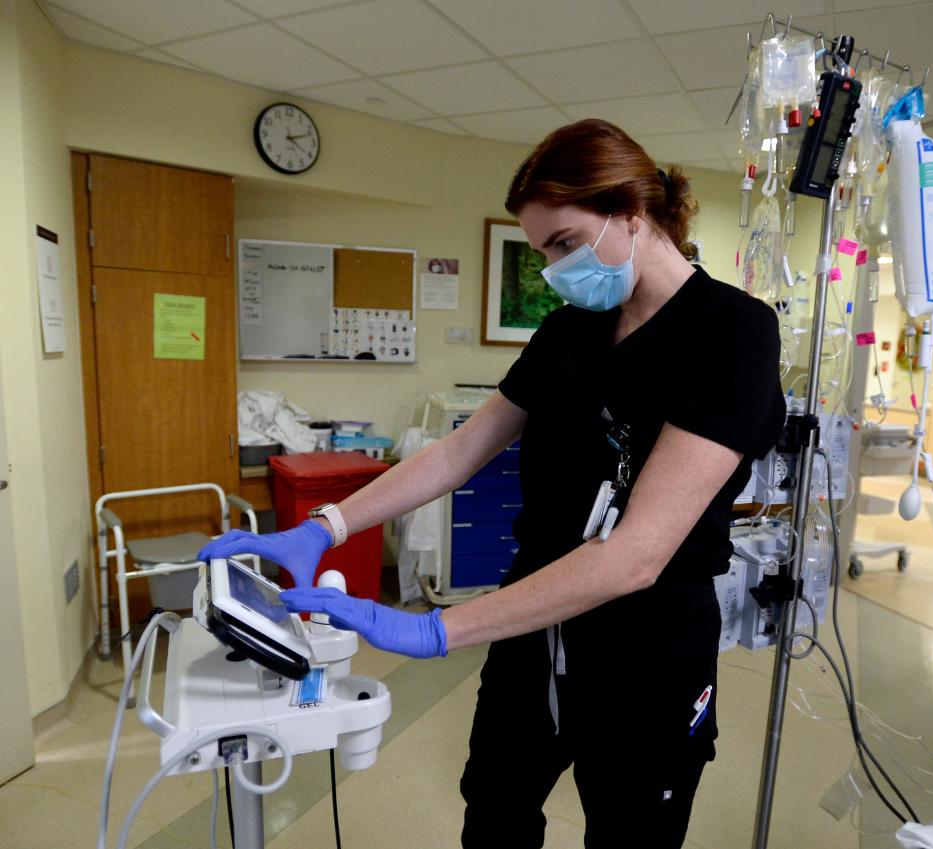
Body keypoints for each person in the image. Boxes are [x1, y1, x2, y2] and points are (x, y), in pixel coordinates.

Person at [200, 118, 784, 848]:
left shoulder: (731, 331)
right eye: (543, 251)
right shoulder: (569, 329)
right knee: (496, 813)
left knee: (631, 828)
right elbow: (458, 452)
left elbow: (637, 553)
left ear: (633, 212)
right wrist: (327, 526)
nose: (555, 267)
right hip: (529, 621)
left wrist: (435, 626)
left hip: (647, 646)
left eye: (564, 242)